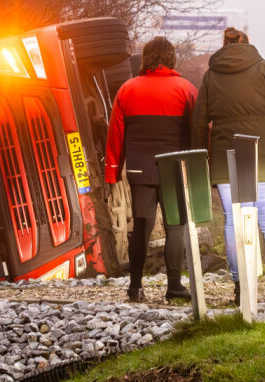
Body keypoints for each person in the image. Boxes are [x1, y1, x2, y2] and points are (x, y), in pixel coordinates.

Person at [191, 28, 265, 306]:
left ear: (225, 45)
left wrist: (200, 160)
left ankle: (241, 288)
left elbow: (198, 121)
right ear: (248, 43)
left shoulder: (211, 76)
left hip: (228, 159)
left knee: (235, 224)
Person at [105, 36, 198, 303]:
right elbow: (197, 131)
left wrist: (112, 172)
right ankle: (174, 286)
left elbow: (115, 135)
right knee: (175, 227)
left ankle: (135, 287)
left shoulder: (127, 89)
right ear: (171, 58)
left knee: (142, 225)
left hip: (138, 171)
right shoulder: (186, 89)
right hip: (173, 168)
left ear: (145, 58)